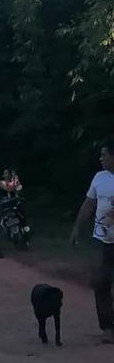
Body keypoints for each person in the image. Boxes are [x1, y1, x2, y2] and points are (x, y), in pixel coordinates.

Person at [70, 140, 114, 343]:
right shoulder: (99, 178)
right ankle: (107, 327)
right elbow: (89, 204)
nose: (101, 158)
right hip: (103, 239)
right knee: (101, 283)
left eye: (104, 155)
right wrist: (77, 228)